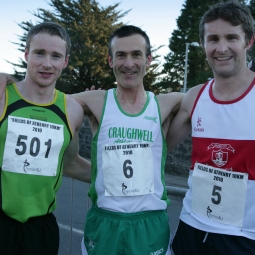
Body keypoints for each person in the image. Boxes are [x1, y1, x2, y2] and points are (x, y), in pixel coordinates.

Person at [0, 25, 183, 254]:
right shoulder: (88, 101)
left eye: (136, 54)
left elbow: (209, 96)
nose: (129, 63)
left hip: (143, 225)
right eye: (39, 53)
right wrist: (5, 78)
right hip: (94, 223)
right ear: (110, 60)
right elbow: (38, 97)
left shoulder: (168, 103)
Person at [166, 1, 255, 254]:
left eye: (231, 37)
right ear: (204, 43)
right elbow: (158, 148)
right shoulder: (194, 97)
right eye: (213, 39)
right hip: (191, 229)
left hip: (244, 238)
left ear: (248, 41)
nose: (221, 48)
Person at [0, 22, 91, 255]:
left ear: (66, 61)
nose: (47, 64)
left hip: (41, 230)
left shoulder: (72, 110)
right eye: (39, 53)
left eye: (56, 56)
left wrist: (116, 178)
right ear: (26, 54)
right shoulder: (2, 96)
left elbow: (70, 164)